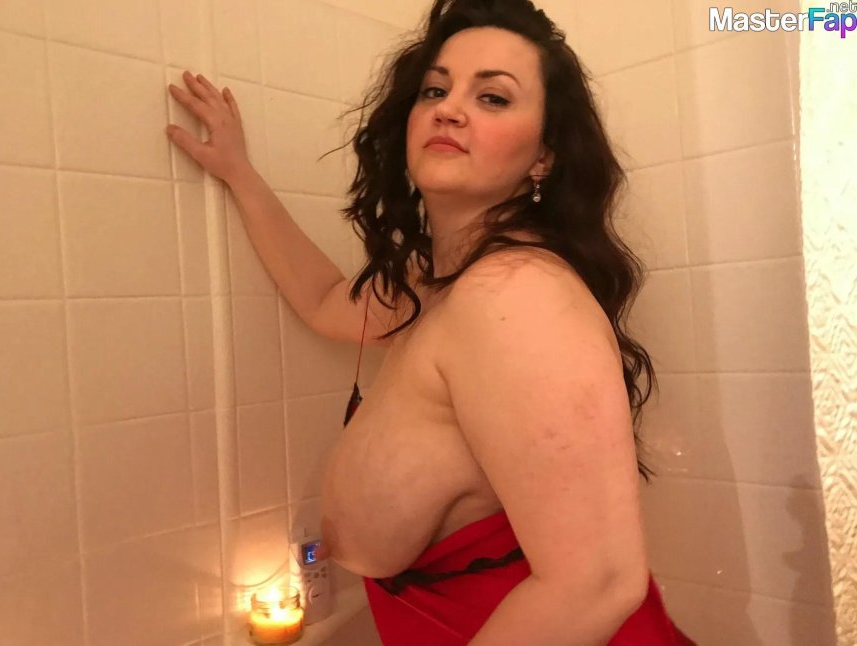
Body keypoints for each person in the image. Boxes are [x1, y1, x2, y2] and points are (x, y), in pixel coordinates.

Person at [166, 0, 697, 643]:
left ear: (543, 157)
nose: (449, 109)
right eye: (436, 90)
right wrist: (239, 174)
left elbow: (599, 583)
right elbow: (324, 300)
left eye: (493, 97)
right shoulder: (436, 282)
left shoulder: (516, 294)